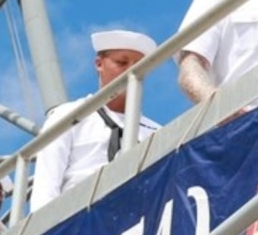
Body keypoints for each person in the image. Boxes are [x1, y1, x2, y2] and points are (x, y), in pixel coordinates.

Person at [31, 29, 161, 213]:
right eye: (122, 63)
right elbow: (47, 185)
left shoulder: (155, 131)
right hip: (79, 220)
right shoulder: (69, 116)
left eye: (140, 65)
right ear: (99, 64)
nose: (132, 70)